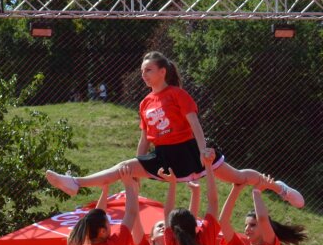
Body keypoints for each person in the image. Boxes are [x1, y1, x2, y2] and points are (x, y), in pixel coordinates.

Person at [45, 52, 304, 209]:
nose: (144, 75)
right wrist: (139, 165)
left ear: (162, 71)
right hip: (164, 155)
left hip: (189, 150)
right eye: (142, 71)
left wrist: (203, 149)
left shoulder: (177, 94)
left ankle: (278, 188)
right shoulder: (145, 102)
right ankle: (75, 183)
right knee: (123, 167)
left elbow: (194, 122)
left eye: (148, 70)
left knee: (238, 177)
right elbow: (146, 138)